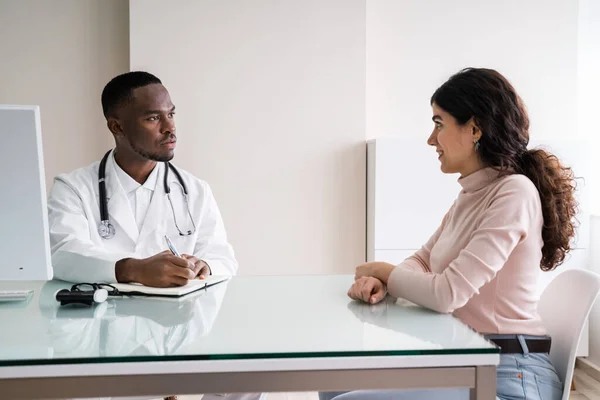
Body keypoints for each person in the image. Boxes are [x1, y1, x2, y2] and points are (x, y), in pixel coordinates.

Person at [325, 68, 577, 400]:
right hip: (467, 362)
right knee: (334, 382)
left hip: (511, 376)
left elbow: (448, 293)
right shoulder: (471, 195)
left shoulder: (513, 193)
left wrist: (384, 272)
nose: (432, 139)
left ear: (474, 128)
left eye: (439, 123)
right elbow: (422, 259)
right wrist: (387, 281)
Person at [47, 71, 264, 400]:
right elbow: (63, 253)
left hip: (179, 334)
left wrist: (202, 264)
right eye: (153, 118)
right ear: (116, 127)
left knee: (248, 379)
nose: (170, 127)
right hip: (101, 340)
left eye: (171, 114)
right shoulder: (74, 188)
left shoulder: (194, 190)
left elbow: (224, 258)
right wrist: (133, 269)